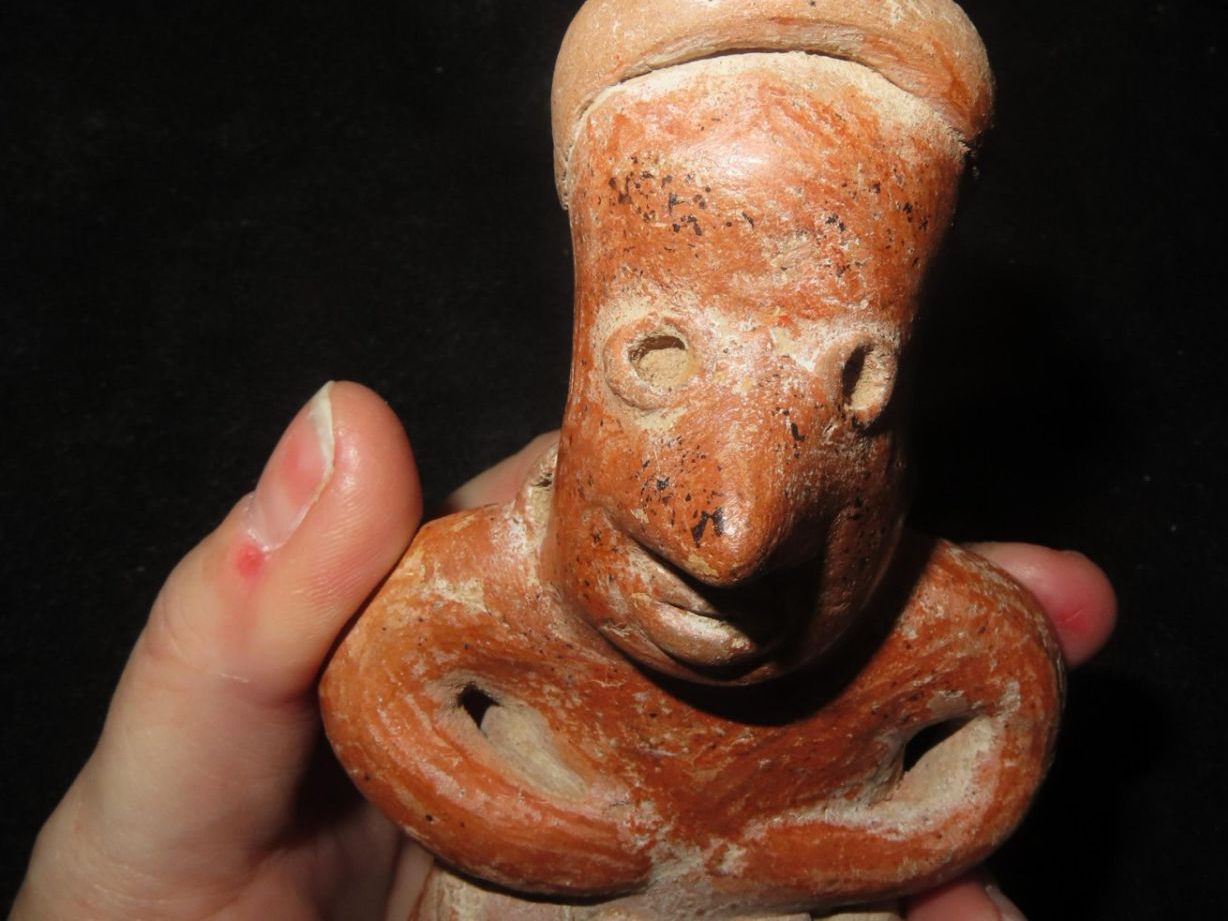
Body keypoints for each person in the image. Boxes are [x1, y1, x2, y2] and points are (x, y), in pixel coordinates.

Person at [9, 382, 1115, 920]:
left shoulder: (935, 617)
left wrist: (829, 853)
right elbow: (386, 690)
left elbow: (1003, 733)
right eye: (656, 365)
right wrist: (534, 836)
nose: (735, 545)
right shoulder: (493, 580)